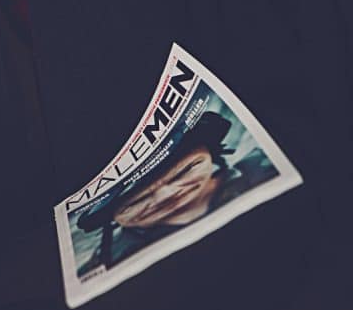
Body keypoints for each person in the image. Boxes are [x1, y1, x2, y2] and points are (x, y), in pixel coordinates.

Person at [75, 111, 278, 276]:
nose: (165, 195)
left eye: (184, 170)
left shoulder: (263, 166)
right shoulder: (111, 257)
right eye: (137, 200)